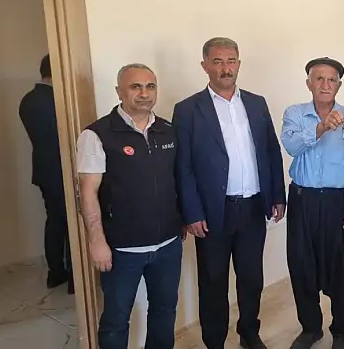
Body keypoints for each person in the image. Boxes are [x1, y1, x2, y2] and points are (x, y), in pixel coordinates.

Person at [173, 37, 286, 349]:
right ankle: (215, 342)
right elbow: (183, 167)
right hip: (212, 212)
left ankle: (249, 333)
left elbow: (271, 151)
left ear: (239, 63)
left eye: (231, 61)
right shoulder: (188, 109)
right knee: (213, 282)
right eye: (218, 61)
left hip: (252, 207)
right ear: (205, 66)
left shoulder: (256, 103)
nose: (226, 68)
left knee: (251, 279)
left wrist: (277, 195)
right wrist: (192, 212)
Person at [77, 64, 185, 349]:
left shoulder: (168, 131)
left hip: (168, 245)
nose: (144, 93)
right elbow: (88, 194)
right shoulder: (97, 135)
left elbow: (178, 180)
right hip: (121, 250)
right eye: (135, 87)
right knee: (115, 321)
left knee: (164, 312)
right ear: (119, 92)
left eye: (150, 86)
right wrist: (97, 242)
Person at [281, 57, 344, 349]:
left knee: (342, 268)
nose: (325, 85)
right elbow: (291, 146)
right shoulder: (294, 113)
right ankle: (311, 328)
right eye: (319, 79)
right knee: (301, 265)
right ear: (309, 83)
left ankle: (341, 331)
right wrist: (320, 129)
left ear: (339, 85)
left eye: (331, 80)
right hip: (302, 200)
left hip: (339, 202)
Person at [19, 54, 73, 293]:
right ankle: (75, 280)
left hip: (43, 170)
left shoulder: (28, 100)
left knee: (55, 221)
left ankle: (55, 272)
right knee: (71, 223)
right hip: (63, 170)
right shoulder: (57, 100)